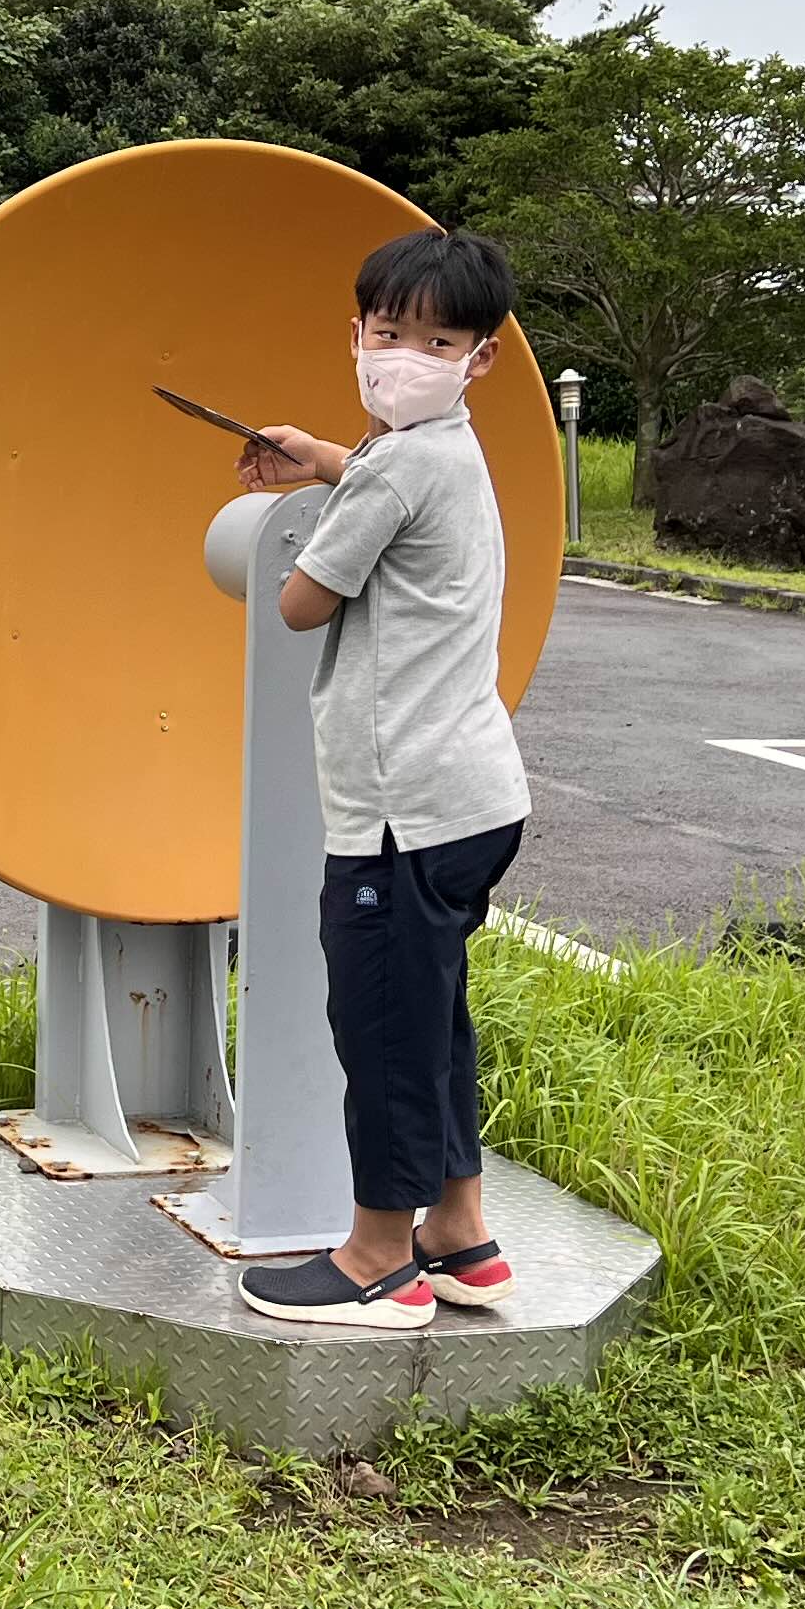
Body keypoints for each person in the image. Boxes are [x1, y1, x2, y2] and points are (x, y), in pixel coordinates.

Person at [228, 226, 532, 1329]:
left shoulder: (399, 466)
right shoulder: (444, 450)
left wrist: (324, 496)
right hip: (471, 799)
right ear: (356, 331)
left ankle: (376, 1261)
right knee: (431, 1018)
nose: (405, 356)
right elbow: (385, 485)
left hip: (404, 812)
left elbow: (301, 601)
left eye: (435, 342)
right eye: (390, 332)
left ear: (478, 357)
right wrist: (323, 456)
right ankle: (459, 1236)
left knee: (386, 1033)